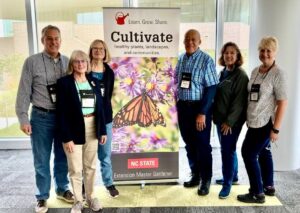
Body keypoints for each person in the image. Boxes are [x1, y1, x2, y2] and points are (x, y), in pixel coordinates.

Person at [15, 25, 74, 213]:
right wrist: (23, 118)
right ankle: (41, 196)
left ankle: (62, 188)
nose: (53, 42)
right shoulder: (31, 62)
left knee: (63, 156)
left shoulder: (67, 62)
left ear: (60, 40)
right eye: (49, 38)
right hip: (41, 117)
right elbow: (24, 91)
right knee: (41, 159)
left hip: (63, 117)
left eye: (56, 38)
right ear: (43, 40)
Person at [237, 37, 288, 203]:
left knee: (248, 153)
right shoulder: (255, 71)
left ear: (275, 52)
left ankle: (257, 193)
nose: (265, 54)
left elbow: (282, 102)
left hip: (266, 122)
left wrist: (276, 129)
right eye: (262, 50)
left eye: (268, 51)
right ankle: (268, 186)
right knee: (265, 152)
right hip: (253, 120)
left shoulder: (278, 74)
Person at [56, 50, 107, 213]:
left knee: (91, 166)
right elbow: (61, 112)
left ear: (87, 63)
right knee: (76, 168)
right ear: (72, 64)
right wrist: (66, 137)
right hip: (73, 129)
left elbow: (101, 108)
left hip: (93, 126)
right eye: (77, 62)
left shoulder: (94, 82)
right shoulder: (64, 83)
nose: (80, 64)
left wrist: (103, 130)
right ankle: (78, 200)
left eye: (83, 61)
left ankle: (91, 197)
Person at [175, 29, 219, 196]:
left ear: (200, 41)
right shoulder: (181, 59)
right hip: (183, 108)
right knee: (189, 144)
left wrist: (202, 112)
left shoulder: (206, 60)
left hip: (199, 109)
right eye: (187, 39)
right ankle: (196, 175)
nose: (190, 42)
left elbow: (212, 88)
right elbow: (177, 82)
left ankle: (206, 180)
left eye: (193, 39)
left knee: (203, 146)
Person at [213, 42, 249, 199]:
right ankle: (233, 177)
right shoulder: (223, 72)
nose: (229, 55)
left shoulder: (240, 75)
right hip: (220, 120)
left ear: (237, 56)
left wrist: (229, 122)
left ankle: (227, 184)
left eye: (232, 53)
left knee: (226, 151)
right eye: (226, 53)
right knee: (229, 149)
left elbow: (239, 102)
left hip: (231, 122)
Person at [87, 39, 119, 197]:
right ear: (91, 51)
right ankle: (86, 187)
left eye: (101, 49)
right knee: (88, 155)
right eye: (95, 49)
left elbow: (107, 97)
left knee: (105, 154)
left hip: (105, 118)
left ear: (105, 52)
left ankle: (109, 183)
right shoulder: (84, 69)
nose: (98, 51)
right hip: (87, 118)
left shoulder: (109, 72)